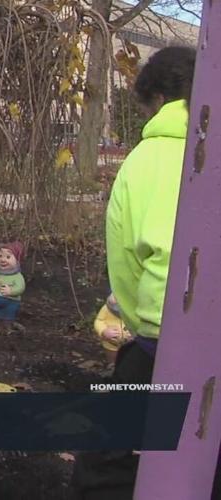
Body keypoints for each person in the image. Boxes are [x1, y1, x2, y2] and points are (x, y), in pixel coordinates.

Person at [72, 46, 196, 499]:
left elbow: (168, 256)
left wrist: (168, 351)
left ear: (158, 99)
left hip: (170, 340)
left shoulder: (159, 157)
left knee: (106, 466)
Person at [93, 293, 130, 364]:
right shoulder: (106, 308)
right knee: (112, 359)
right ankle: (112, 367)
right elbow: (99, 321)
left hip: (131, 343)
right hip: (111, 343)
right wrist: (103, 331)